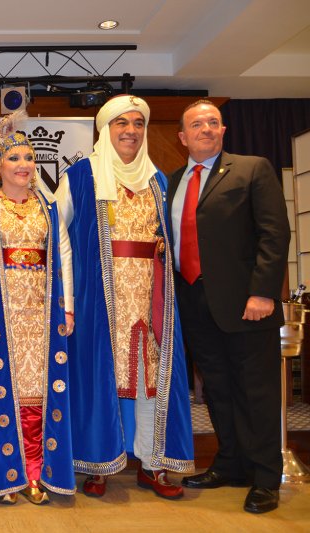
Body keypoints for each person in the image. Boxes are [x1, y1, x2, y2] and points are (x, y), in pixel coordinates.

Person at [55, 95, 194, 499]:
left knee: (152, 381)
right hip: (99, 298)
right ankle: (98, 462)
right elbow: (56, 232)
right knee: (102, 377)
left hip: (153, 297)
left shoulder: (159, 181)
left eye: (137, 123)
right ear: (105, 129)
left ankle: (154, 465)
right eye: (121, 123)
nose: (131, 130)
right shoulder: (81, 176)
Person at [169, 100, 289, 513]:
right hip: (194, 302)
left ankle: (264, 477)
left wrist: (263, 293)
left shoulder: (252, 168)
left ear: (223, 130)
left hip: (246, 304)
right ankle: (230, 464)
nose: (206, 129)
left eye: (213, 123)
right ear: (182, 137)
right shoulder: (173, 181)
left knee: (255, 391)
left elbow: (274, 234)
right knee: (217, 391)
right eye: (196, 125)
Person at [0, 111, 76, 505]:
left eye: (29, 158)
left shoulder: (47, 205)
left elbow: (63, 253)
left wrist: (69, 309)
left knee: (39, 394)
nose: (24, 165)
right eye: (15, 158)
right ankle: (5, 477)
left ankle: (36, 473)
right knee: (1, 393)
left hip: (42, 316)